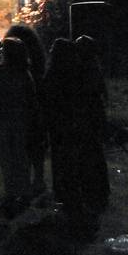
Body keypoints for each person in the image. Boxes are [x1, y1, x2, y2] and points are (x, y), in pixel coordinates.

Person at [0, 37, 38, 217]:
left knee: (6, 158)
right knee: (20, 156)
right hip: (20, 119)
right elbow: (31, 98)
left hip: (1, 120)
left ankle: (11, 193)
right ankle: (24, 191)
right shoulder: (24, 72)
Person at [40, 38, 83, 219]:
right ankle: (70, 191)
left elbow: (46, 96)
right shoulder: (75, 73)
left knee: (61, 157)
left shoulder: (54, 73)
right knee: (69, 156)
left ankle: (64, 192)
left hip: (59, 121)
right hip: (69, 120)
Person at [5, 24, 47, 196]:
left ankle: (26, 182)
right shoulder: (37, 63)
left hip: (22, 110)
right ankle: (37, 179)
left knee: (23, 147)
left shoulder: (18, 69)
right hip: (35, 109)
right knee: (35, 145)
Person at [74, 35, 110, 215]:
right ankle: (98, 187)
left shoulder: (87, 69)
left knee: (90, 151)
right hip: (93, 114)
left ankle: (93, 188)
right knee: (94, 151)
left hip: (89, 115)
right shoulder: (93, 67)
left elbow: (88, 94)